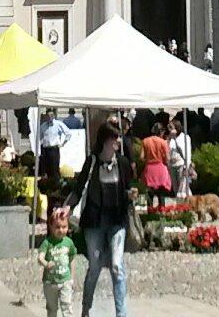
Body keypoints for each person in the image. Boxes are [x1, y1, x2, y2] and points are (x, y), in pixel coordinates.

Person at [71, 120, 135, 317]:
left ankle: (121, 314)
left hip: (117, 221)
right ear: (106, 140)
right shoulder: (92, 162)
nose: (118, 141)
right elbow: (79, 188)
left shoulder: (122, 163)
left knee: (117, 266)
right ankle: (86, 309)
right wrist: (67, 207)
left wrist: (131, 194)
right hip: (94, 222)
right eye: (115, 138)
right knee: (95, 267)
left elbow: (129, 188)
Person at [38, 204, 76, 317]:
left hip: (65, 280)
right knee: (52, 308)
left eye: (64, 227)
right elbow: (40, 257)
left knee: (67, 306)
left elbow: (72, 258)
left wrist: (72, 278)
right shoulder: (47, 242)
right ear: (51, 227)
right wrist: (45, 263)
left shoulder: (69, 242)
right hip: (50, 282)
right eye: (57, 227)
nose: (61, 230)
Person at [141, 121, 172, 206]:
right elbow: (168, 158)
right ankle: (161, 211)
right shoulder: (163, 142)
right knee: (161, 193)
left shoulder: (145, 141)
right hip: (161, 168)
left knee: (150, 192)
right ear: (161, 132)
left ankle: (150, 212)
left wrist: (148, 160)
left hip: (149, 168)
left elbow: (141, 157)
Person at [40, 108, 70, 182]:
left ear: (54, 115)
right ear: (46, 116)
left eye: (51, 115)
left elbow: (68, 133)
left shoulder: (58, 124)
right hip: (45, 149)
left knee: (54, 169)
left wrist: (63, 144)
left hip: (54, 149)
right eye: (48, 115)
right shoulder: (43, 125)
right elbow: (40, 137)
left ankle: (56, 185)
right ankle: (48, 186)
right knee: (46, 169)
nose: (50, 117)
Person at [167, 117, 193, 199]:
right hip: (172, 165)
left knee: (183, 187)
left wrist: (187, 166)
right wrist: (169, 138)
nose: (169, 130)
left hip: (181, 164)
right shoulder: (170, 138)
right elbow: (166, 148)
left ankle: (186, 205)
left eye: (171, 127)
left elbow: (186, 152)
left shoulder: (185, 137)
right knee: (175, 188)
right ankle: (179, 206)